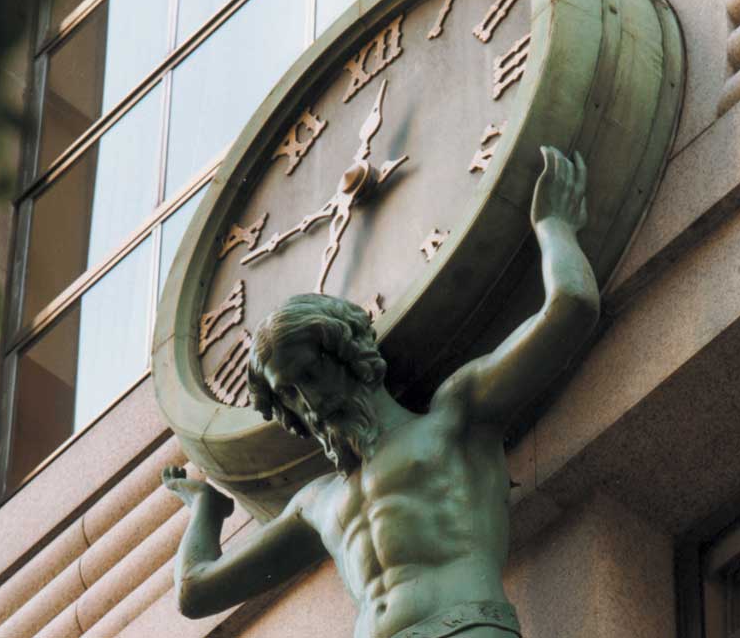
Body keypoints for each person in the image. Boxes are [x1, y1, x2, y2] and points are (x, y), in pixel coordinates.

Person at [160, 146, 599, 638]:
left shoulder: (455, 416)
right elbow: (196, 591)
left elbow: (570, 307)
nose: (307, 401)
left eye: (309, 374)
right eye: (289, 394)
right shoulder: (316, 502)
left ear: (345, 354)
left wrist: (554, 227)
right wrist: (206, 508)